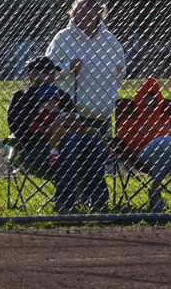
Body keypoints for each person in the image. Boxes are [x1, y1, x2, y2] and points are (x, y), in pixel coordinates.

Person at [45, 0, 125, 211]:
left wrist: (108, 96)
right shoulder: (62, 38)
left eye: (90, 10)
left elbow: (121, 72)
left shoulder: (110, 40)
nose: (85, 14)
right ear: (73, 13)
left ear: (99, 13)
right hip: (71, 115)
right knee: (72, 158)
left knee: (96, 161)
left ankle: (97, 202)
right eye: (80, 10)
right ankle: (70, 201)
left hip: (101, 114)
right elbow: (46, 71)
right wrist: (67, 68)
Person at [7, 56, 103, 214]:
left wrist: (72, 123)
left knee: (93, 138)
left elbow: (75, 119)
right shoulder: (22, 97)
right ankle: (64, 203)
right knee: (70, 140)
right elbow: (19, 129)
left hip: (71, 145)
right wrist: (49, 132)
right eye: (46, 73)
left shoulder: (62, 96)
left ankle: (98, 202)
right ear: (32, 75)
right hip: (35, 150)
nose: (51, 76)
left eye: (53, 73)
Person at [116, 77, 171, 212]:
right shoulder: (130, 121)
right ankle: (155, 191)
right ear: (139, 103)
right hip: (144, 158)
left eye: (154, 105)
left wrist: (167, 138)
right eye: (146, 105)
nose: (150, 108)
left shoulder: (167, 119)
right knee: (165, 141)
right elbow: (129, 142)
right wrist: (161, 137)